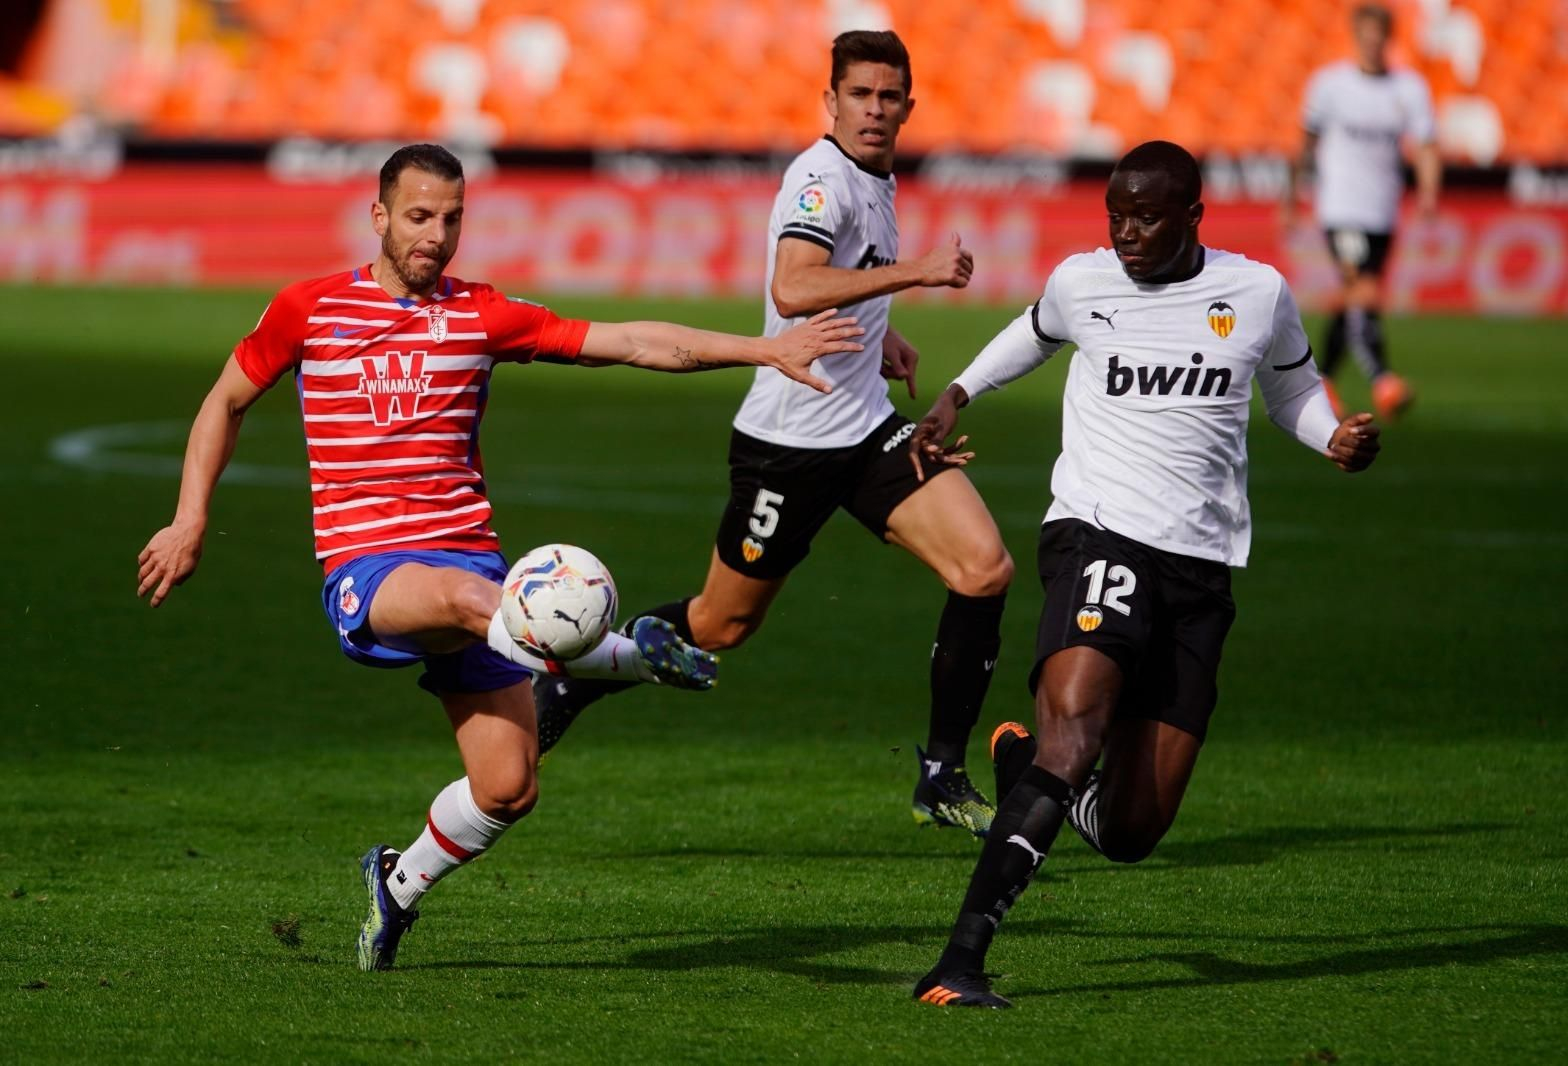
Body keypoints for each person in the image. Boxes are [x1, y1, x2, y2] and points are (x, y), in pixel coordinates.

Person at [134, 143, 863, 972]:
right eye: (418, 217)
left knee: (508, 787)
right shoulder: (308, 308)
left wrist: (761, 350)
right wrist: (189, 520)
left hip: (477, 568)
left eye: (451, 219)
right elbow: (224, 399)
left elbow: (630, 341)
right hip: (371, 569)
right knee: (456, 600)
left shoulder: (480, 314)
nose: (436, 236)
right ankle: (612, 656)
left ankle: (396, 885)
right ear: (378, 217)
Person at [909, 141, 1382, 1008]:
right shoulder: (1084, 283)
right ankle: (958, 964)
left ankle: (1022, 766)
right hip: (1099, 534)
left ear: (1195, 215)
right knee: (1076, 736)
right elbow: (1034, 332)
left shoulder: (1257, 294)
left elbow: (1292, 392)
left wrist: (1334, 438)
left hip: (1201, 567)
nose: (1126, 232)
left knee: (1132, 831)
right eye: (1115, 215)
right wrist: (956, 395)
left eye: (1147, 216)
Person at [533, 30, 1014, 838]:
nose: (874, 109)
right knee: (722, 627)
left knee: (985, 569)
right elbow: (792, 288)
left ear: (908, 107)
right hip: (787, 450)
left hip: (864, 434)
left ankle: (939, 773)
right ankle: (578, 677)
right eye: (859, 95)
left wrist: (879, 333)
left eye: (888, 97)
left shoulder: (875, 178)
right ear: (830, 102)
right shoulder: (821, 179)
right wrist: (916, 272)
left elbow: (835, 289)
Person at [1287, 1, 1439, 421]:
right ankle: (1383, 380)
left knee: (1356, 297)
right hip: (1340, 206)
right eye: (1366, 36)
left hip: (1381, 210)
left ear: (1388, 40)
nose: (1373, 44)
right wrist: (1291, 196)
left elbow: (1426, 145)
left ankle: (1321, 382)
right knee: (1363, 289)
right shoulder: (1330, 85)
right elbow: (1305, 144)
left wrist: (1428, 191)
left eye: (1380, 37)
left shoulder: (1408, 88)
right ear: (1356, 37)